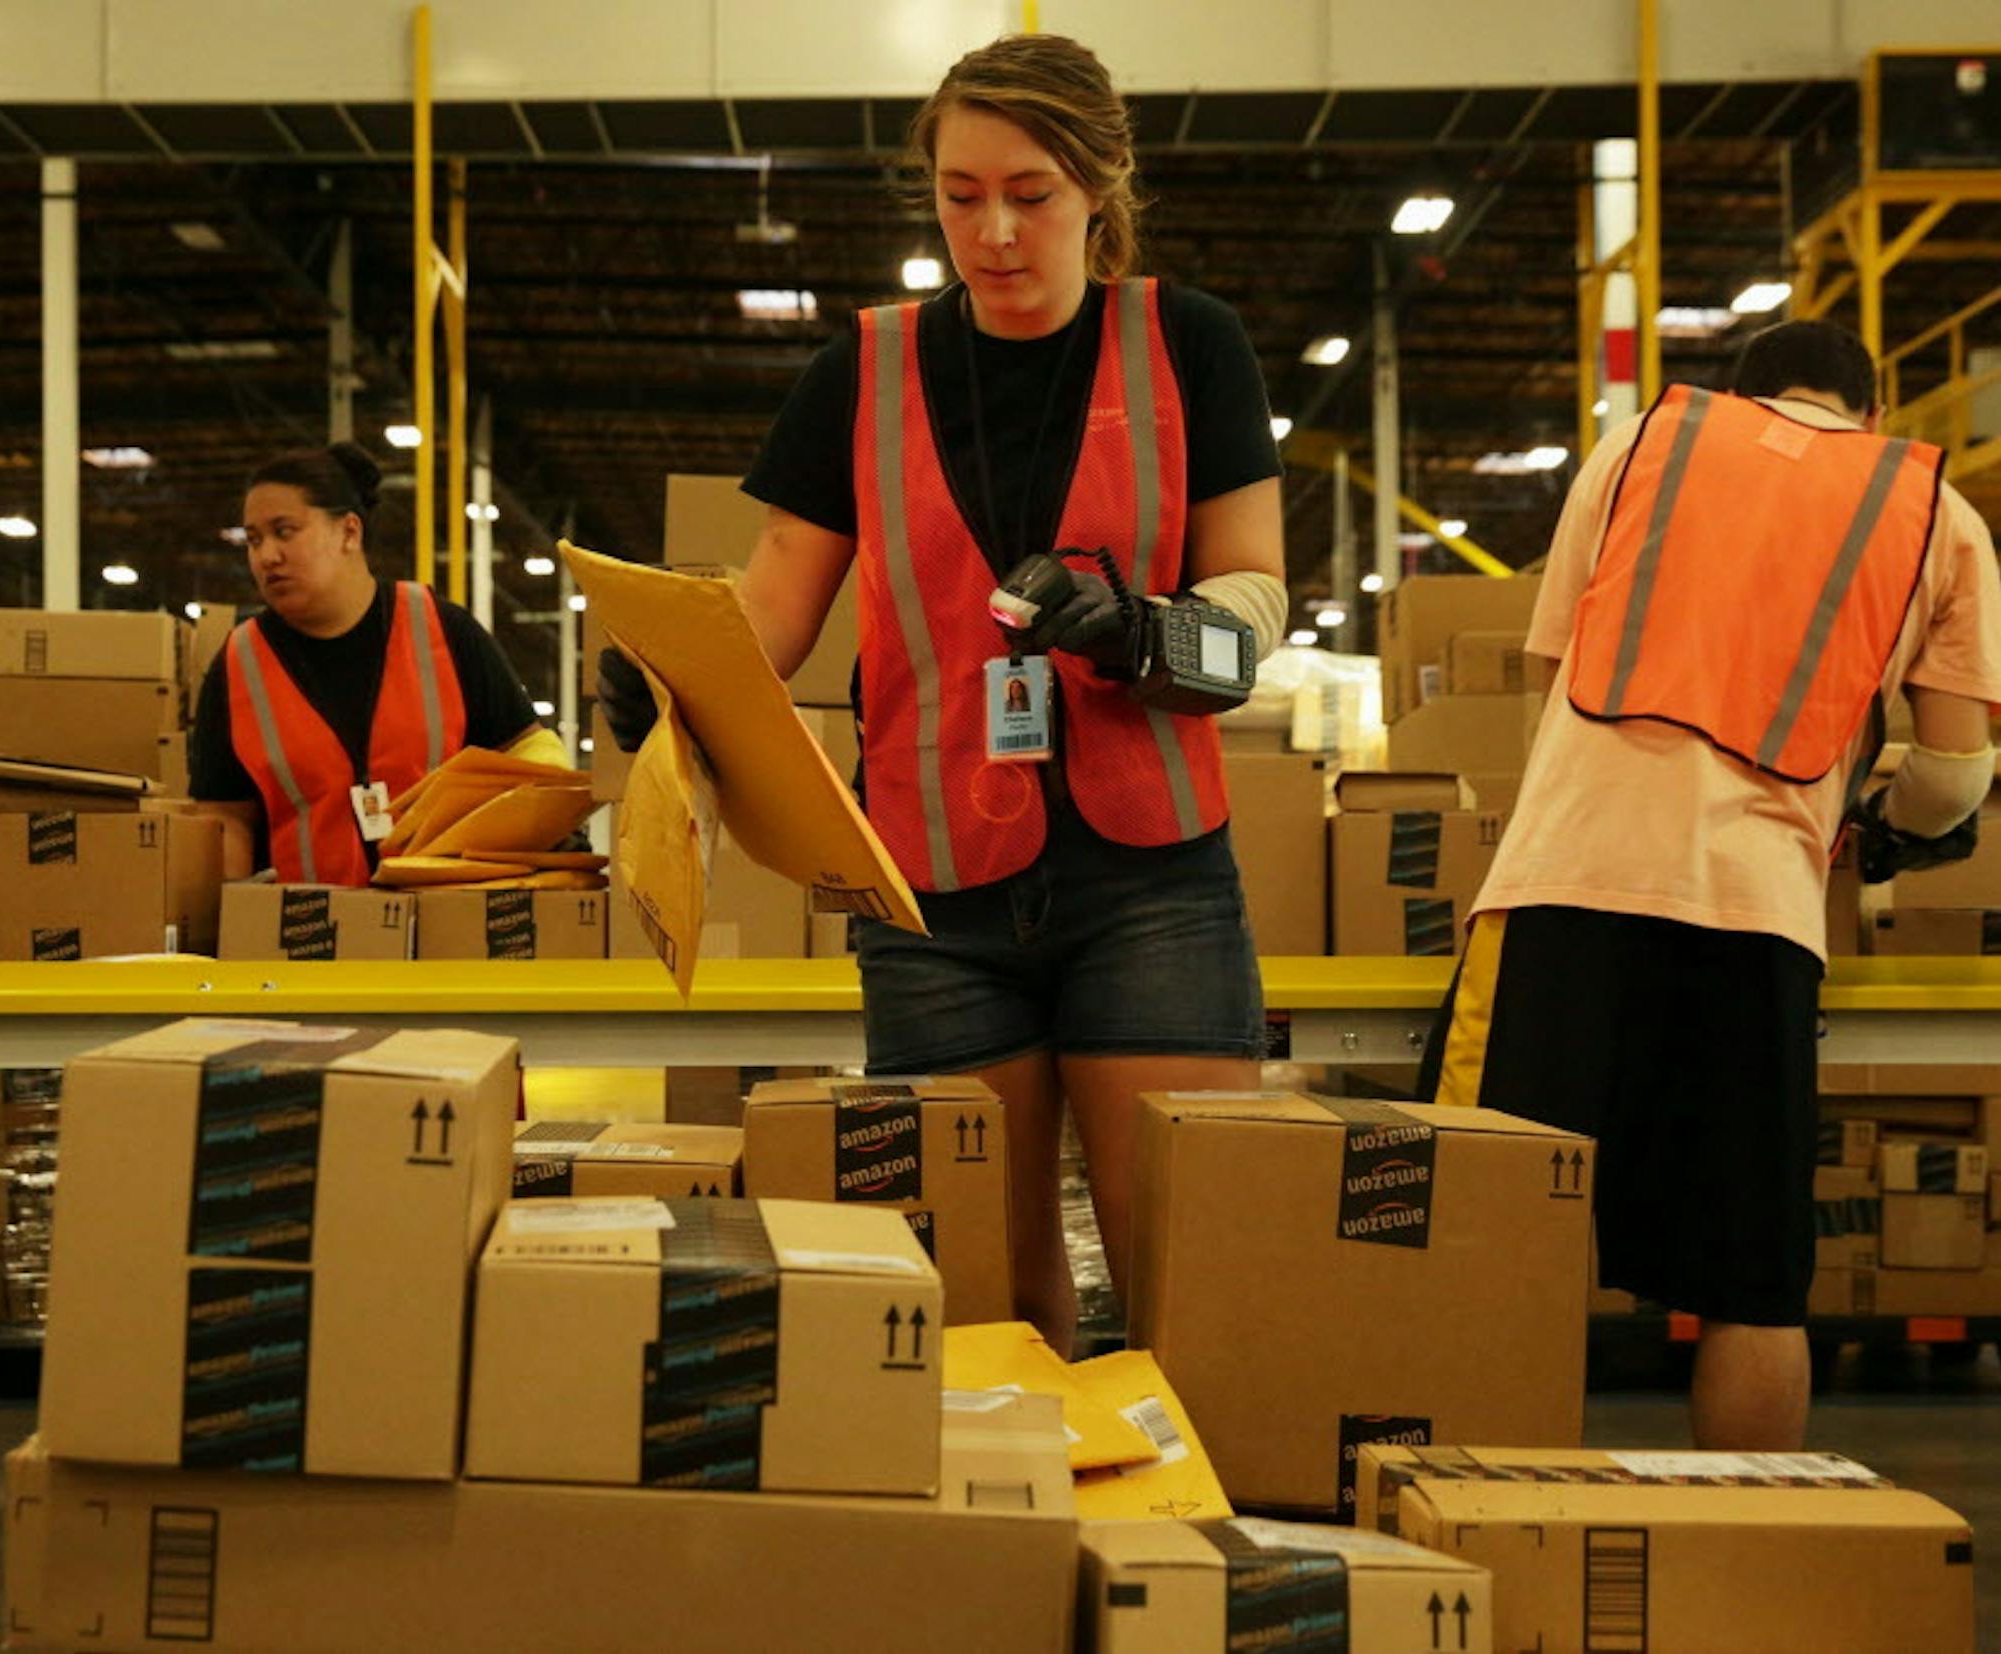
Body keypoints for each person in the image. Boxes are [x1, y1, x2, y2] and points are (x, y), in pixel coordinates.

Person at [601, 34, 1293, 1351]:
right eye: (960, 194)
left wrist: (1151, 632)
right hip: (929, 894)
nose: (993, 230)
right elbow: (771, 621)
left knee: (1190, 1278)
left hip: (1152, 880)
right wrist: (668, 683)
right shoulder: (855, 377)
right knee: (978, 1296)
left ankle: (1178, 1552)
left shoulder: (1190, 346)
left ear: (1100, 186)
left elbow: (1254, 613)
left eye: (1029, 194)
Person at [1419, 319, 2001, 1448]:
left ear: (1741, 396)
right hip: (1760, 922)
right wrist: (1874, 829)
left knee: (1482, 1252)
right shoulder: (1940, 512)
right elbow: (1954, 771)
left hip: (1563, 894)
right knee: (1750, 1285)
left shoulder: (1645, 445)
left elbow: (1553, 681)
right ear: (1869, 415)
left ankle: (1480, 1526)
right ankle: (1740, 1549)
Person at [190, 442, 544, 885]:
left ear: (349, 533)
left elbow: (528, 753)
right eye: (254, 540)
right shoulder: (239, 665)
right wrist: (222, 929)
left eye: (285, 531)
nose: (266, 557)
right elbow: (226, 819)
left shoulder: (442, 630)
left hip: (443, 927)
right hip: (305, 938)